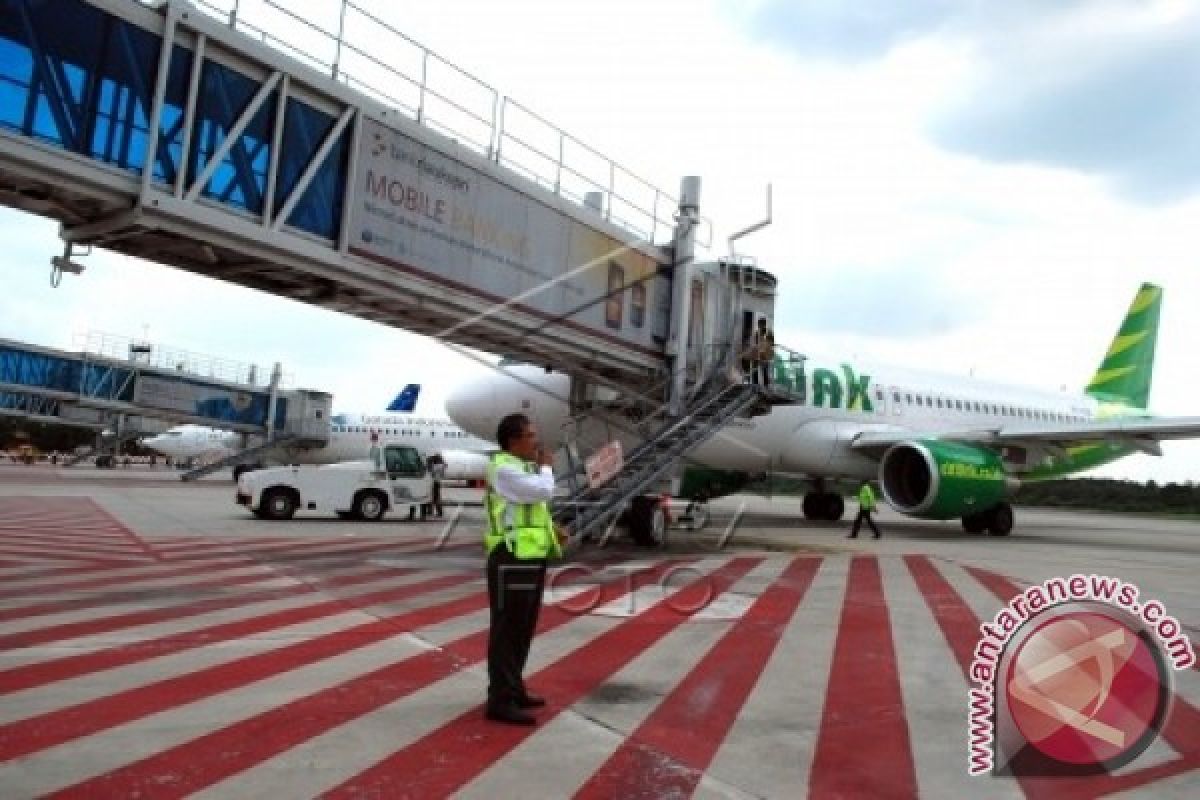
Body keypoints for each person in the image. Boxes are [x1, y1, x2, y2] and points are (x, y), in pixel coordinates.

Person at [484, 413, 565, 725]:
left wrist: (552, 528)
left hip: (528, 555)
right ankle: (500, 700)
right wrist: (547, 467)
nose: (536, 441)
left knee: (523, 627)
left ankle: (514, 688)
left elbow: (529, 509)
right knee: (507, 631)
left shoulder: (520, 469)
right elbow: (544, 491)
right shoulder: (504, 469)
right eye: (531, 436)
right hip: (510, 557)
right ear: (513, 441)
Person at [753, 317, 775, 387]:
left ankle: (766, 386)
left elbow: (772, 343)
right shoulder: (757, 333)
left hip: (766, 354)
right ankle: (755, 385)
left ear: (764, 324)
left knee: (764, 370)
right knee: (755, 370)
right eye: (759, 324)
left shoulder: (769, 333)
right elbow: (756, 343)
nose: (759, 326)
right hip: (758, 354)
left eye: (760, 324)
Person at [426, 453, 446, 518]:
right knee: (435, 497)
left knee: (434, 498)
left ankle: (436, 512)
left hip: (434, 482)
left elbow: (430, 471)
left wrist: (429, 462)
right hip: (437, 482)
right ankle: (433, 511)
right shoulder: (442, 465)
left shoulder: (437, 466)